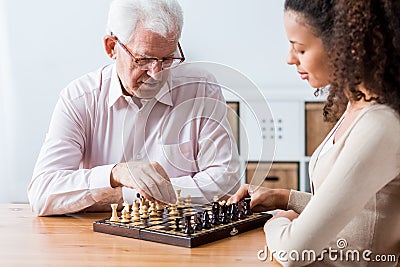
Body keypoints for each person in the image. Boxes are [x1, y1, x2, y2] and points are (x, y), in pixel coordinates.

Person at [28, 0, 240, 216]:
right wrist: (115, 173)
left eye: (167, 59)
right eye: (144, 59)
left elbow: (226, 184)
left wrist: (124, 195)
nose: (156, 74)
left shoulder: (200, 89)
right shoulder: (79, 98)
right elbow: (42, 193)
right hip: (100, 244)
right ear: (112, 47)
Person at [230, 0, 400, 265]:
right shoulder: (357, 107)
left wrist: (278, 222)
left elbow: (292, 252)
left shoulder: (379, 126)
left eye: (300, 48)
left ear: (346, 45)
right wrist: (285, 198)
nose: (289, 58)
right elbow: (354, 213)